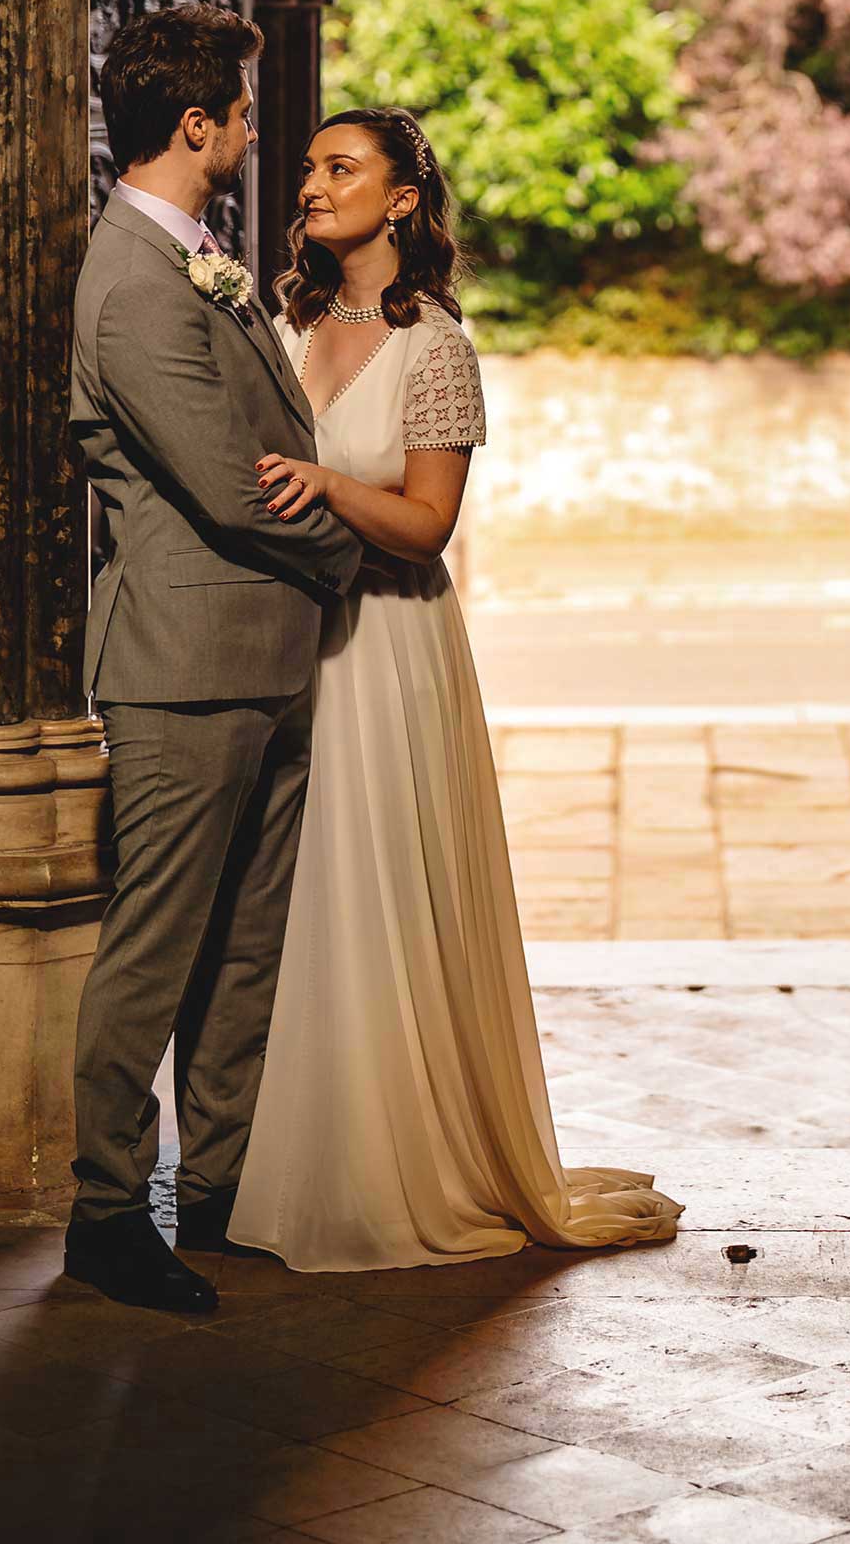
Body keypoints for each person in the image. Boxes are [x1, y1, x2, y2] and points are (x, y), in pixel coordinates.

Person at [228, 105, 680, 1269]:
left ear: (401, 202)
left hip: (388, 648)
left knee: (375, 882)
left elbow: (426, 527)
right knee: (290, 900)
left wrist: (322, 488)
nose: (311, 184)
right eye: (311, 164)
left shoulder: (435, 346)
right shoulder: (280, 322)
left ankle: (396, 1161)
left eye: (342, 168)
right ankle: (274, 1157)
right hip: (285, 641)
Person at [63, 8, 364, 1316]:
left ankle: (222, 1188)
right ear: (197, 123)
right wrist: (361, 550)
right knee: (157, 950)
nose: (256, 130)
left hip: (263, 652)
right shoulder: (131, 279)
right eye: (243, 111)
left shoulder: (196, 258)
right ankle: (105, 1209)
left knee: (245, 950)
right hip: (184, 663)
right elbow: (236, 489)